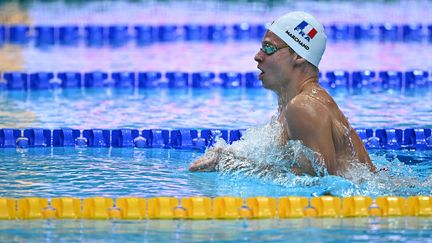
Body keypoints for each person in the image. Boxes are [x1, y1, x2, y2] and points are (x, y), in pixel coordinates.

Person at [189, 11, 376, 177]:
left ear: (298, 56)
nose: (258, 55)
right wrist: (231, 156)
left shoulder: (303, 107)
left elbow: (322, 185)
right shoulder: (298, 103)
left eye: (269, 48)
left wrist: (230, 164)